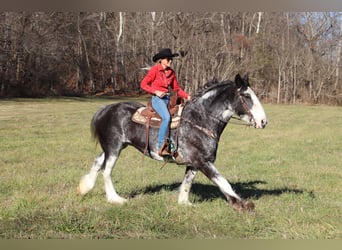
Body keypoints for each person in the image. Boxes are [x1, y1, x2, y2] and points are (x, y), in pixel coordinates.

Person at [140, 48, 191, 157]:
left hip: (168, 99)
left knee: (179, 117)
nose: (170, 61)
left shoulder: (171, 73)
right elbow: (143, 84)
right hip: (157, 100)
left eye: (171, 59)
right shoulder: (154, 70)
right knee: (166, 118)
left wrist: (187, 96)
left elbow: (176, 89)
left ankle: (174, 144)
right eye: (168, 59)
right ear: (161, 60)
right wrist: (156, 91)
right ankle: (160, 146)